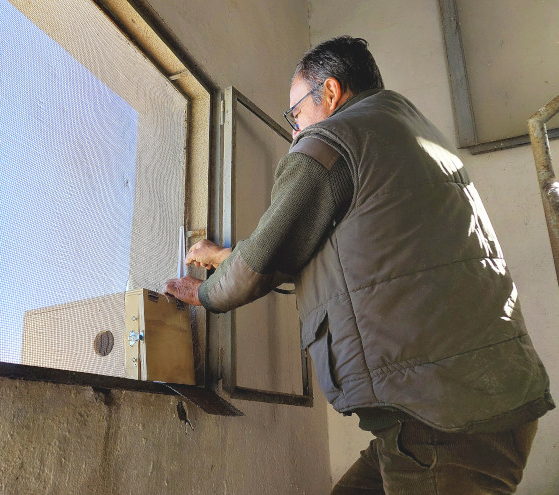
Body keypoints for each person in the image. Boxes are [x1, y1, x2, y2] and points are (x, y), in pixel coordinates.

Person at [163, 36, 554, 494]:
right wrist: (223, 256)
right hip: (470, 402)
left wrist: (205, 293)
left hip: (442, 421)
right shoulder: (406, 130)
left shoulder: (332, 141)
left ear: (329, 92)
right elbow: (324, 252)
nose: (295, 130)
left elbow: (264, 261)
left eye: (296, 113)